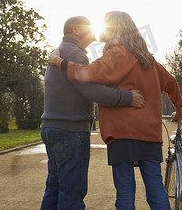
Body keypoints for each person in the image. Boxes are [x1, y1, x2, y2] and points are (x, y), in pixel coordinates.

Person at [49, 11, 182, 210]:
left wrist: (61, 63)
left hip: (122, 133)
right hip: (149, 134)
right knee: (155, 189)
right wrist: (179, 109)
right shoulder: (151, 62)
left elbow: (90, 73)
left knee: (125, 191)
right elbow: (171, 83)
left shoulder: (117, 54)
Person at [41, 16, 145, 210]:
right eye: (88, 25)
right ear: (76, 30)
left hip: (52, 128)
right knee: (72, 193)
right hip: (70, 132)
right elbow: (92, 90)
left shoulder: (64, 51)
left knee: (54, 190)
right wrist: (127, 98)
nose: (93, 28)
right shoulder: (75, 54)